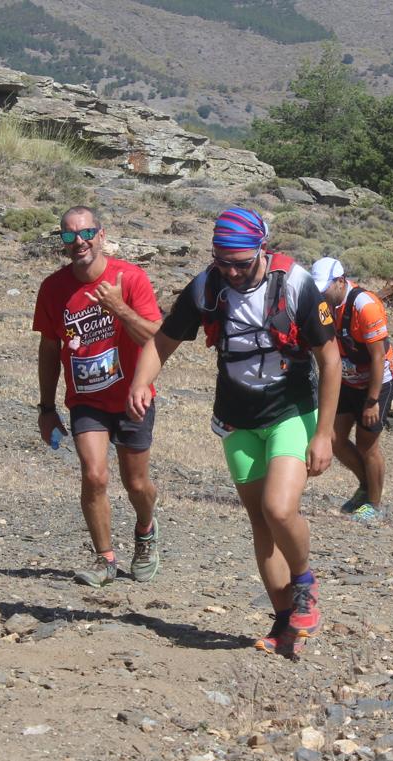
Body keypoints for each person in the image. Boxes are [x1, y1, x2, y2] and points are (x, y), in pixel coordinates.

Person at [127, 207, 340, 658]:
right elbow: (161, 341)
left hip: (291, 412)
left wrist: (325, 434)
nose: (233, 271)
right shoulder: (207, 287)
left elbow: (331, 360)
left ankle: (305, 586)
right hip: (236, 420)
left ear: (262, 249)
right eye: (224, 261)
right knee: (261, 524)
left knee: (279, 509)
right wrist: (142, 382)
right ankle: (285, 624)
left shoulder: (297, 284)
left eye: (242, 262)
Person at [33, 206, 163, 587]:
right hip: (86, 400)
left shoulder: (131, 278)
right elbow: (48, 348)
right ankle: (105, 559)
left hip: (131, 397)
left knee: (137, 484)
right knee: (94, 475)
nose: (79, 242)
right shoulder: (53, 288)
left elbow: (156, 339)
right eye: (69, 236)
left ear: (101, 235)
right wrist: (45, 407)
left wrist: (118, 308)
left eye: (86, 233)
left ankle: (146, 528)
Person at [310, 257, 393, 524]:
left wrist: (371, 402)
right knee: (334, 438)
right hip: (347, 380)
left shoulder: (366, 306)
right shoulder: (324, 303)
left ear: (340, 280)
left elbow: (377, 357)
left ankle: (375, 504)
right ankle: (365, 487)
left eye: (326, 288)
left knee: (366, 444)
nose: (322, 294)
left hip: (376, 382)